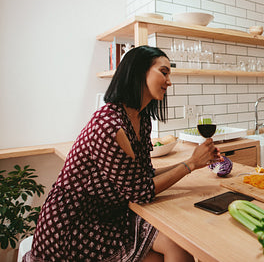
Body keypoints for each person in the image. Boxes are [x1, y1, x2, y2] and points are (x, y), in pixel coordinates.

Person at [24, 46, 222, 262]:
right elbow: (141, 192)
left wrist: (192, 162)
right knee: (173, 248)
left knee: (179, 245)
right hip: (73, 229)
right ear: (139, 71)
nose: (169, 81)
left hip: (108, 217)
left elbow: (144, 175)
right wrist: (190, 164)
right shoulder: (110, 125)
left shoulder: (141, 118)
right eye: (163, 72)